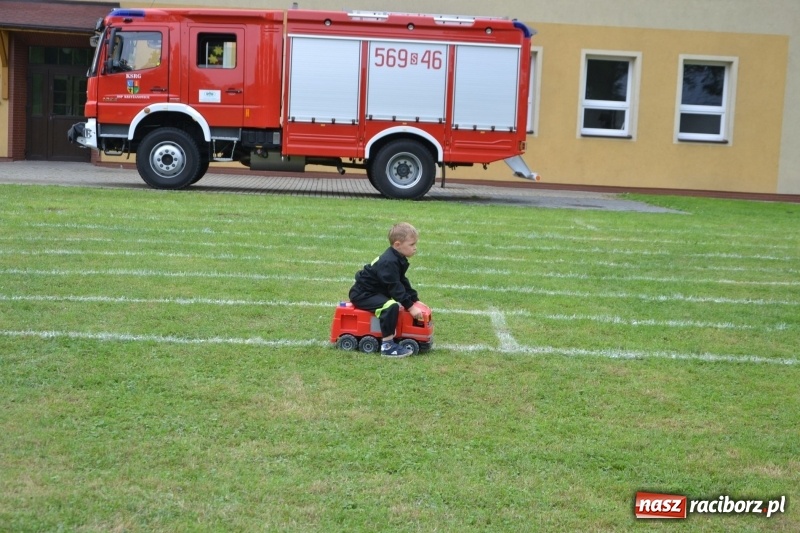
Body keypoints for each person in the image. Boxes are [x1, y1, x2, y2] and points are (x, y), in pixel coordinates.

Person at [349, 222, 427, 358]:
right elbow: (394, 287)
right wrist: (410, 307)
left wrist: (414, 300)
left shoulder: (398, 258)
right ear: (397, 245)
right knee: (390, 306)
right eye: (412, 244)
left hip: (374, 292)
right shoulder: (389, 262)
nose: (415, 248)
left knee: (395, 303)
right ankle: (388, 346)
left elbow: (402, 281)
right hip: (363, 294)